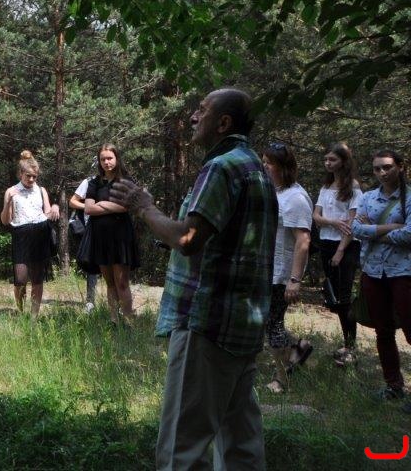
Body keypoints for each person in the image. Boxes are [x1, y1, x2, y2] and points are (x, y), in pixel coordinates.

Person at [109, 88, 276, 471]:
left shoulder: (221, 168)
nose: (192, 117)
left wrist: (144, 206)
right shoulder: (255, 168)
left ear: (223, 122)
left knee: (181, 450)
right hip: (243, 326)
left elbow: (187, 239)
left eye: (202, 110)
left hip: (207, 324)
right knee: (241, 447)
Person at [350, 149, 411, 404]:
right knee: (383, 331)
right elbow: (355, 229)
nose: (382, 173)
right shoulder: (368, 197)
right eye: (377, 168)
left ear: (400, 167)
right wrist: (391, 228)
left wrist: (372, 231)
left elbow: (409, 235)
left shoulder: (409, 198)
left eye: (387, 167)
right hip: (373, 271)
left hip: (403, 271)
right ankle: (393, 386)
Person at [260, 142, 315, 393]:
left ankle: (282, 380)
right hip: (267, 270)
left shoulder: (296, 198)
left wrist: (294, 279)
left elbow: (303, 241)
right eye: (263, 161)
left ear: (284, 167)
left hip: (281, 274)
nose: (264, 166)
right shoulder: (275, 191)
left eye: (269, 163)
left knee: (273, 324)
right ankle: (299, 349)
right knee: (267, 322)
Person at [313, 142, 363, 367]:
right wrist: (333, 222)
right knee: (334, 296)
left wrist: (341, 251)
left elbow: (352, 223)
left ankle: (350, 347)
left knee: (344, 297)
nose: (328, 163)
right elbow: (316, 216)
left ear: (343, 161)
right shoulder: (326, 187)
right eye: (326, 159)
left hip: (346, 247)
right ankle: (347, 343)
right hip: (326, 243)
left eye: (332, 159)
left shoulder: (353, 187)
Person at [80, 144, 140, 324]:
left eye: (109, 158)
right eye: (103, 159)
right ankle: (114, 320)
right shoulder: (94, 182)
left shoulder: (126, 181)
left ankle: (128, 320)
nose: (106, 162)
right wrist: (113, 206)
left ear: (116, 158)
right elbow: (89, 209)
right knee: (110, 282)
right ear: (99, 162)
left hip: (121, 237)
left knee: (122, 282)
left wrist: (102, 204)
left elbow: (126, 206)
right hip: (101, 237)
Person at [0, 150, 58, 317]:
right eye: (28, 176)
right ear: (20, 174)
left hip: (40, 233)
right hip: (21, 235)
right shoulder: (11, 191)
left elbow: (47, 213)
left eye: (34, 176)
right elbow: (5, 220)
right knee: (20, 279)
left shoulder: (41, 190)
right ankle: (20, 312)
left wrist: (55, 207)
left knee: (38, 278)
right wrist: (8, 202)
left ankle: (33, 317)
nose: (31, 179)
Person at [68, 173, 100, 313]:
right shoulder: (89, 182)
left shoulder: (118, 181)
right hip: (90, 228)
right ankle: (90, 301)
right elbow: (72, 202)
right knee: (92, 265)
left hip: (111, 228)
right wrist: (88, 207)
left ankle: (118, 304)